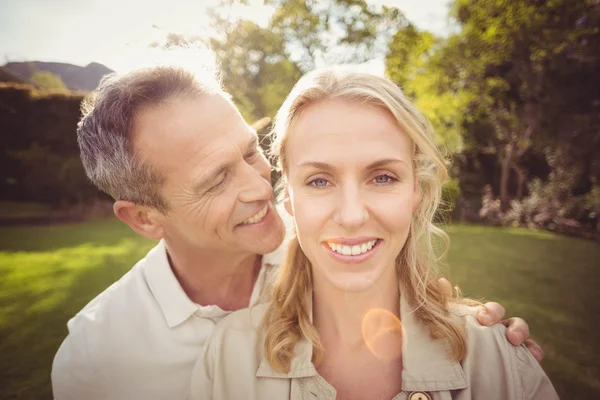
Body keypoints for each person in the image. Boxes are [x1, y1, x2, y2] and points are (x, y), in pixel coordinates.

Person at [52, 65, 541, 400]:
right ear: (144, 219)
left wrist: (498, 355)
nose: (260, 188)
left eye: (249, 153)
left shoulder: (322, 238)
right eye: (216, 179)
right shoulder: (96, 360)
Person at [188, 67, 558, 400]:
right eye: (319, 180)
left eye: (383, 177)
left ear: (415, 189)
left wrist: (501, 353)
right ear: (289, 198)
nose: (351, 216)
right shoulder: (228, 358)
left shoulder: (498, 362)